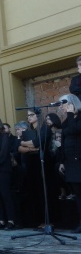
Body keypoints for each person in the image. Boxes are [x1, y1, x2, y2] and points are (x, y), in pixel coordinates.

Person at [58, 94, 81, 233]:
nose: (61, 107)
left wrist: (71, 114)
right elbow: (63, 141)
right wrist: (62, 161)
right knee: (77, 194)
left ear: (72, 104)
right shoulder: (67, 120)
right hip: (70, 161)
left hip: (80, 160)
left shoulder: (76, 118)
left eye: (63, 103)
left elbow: (75, 130)